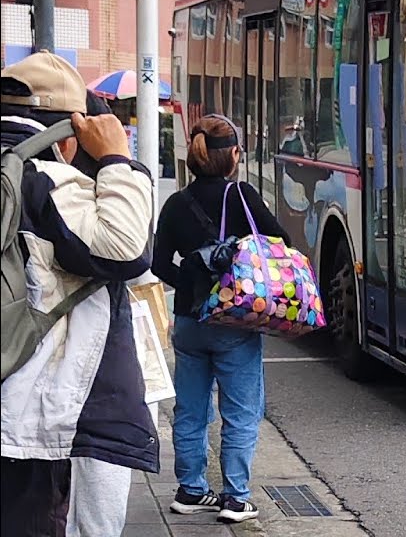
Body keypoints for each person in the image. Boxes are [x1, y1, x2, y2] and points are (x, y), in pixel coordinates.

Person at [0, 51, 157, 537]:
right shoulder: (45, 179)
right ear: (68, 135)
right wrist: (115, 159)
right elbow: (124, 251)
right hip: (25, 421)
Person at [151, 114, 290, 524]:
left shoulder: (176, 203)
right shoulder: (242, 196)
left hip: (189, 324)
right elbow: (281, 242)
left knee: (191, 410)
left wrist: (194, 287)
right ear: (232, 155)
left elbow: (159, 264)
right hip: (233, 322)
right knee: (241, 410)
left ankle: (191, 489)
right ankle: (235, 497)